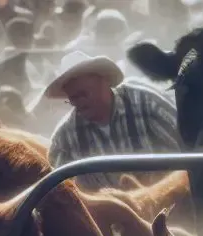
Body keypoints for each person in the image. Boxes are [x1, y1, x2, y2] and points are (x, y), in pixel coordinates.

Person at [44, 49, 182, 190]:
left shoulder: (147, 104)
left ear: (104, 83)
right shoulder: (65, 139)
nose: (79, 102)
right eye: (73, 98)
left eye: (83, 94)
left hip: (169, 202)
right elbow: (59, 190)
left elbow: (187, 148)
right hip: (108, 211)